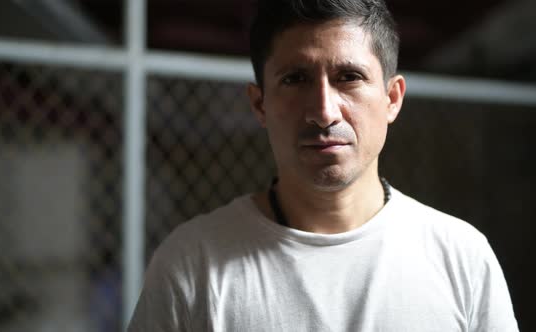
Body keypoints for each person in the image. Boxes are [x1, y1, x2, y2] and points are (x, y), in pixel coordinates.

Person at [128, 0, 518, 331]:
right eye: (296, 79)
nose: (324, 112)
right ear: (260, 104)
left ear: (392, 99)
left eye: (349, 77)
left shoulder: (461, 257)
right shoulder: (193, 263)